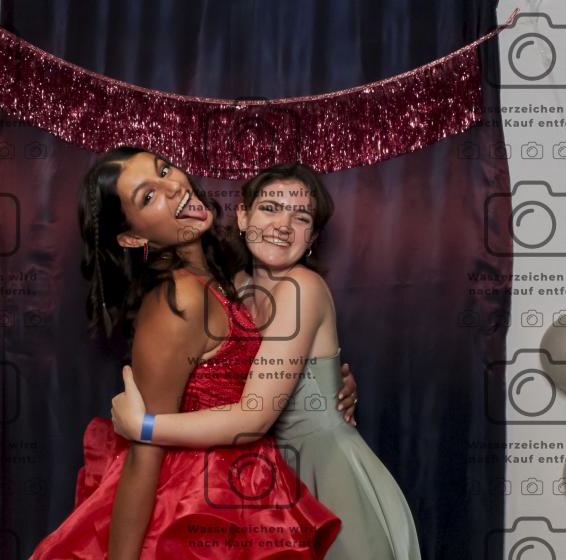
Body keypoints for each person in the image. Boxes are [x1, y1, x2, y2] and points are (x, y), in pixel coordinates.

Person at [29, 148, 343, 559]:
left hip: (244, 488)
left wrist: (328, 384)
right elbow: (143, 453)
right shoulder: (179, 299)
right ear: (133, 238)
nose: (173, 186)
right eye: (148, 196)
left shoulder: (224, 274)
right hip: (189, 508)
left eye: (164, 170)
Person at [111, 163, 422, 559]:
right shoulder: (235, 288)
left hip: (326, 473)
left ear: (312, 238)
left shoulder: (302, 288)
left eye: (301, 217)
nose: (283, 226)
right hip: (269, 475)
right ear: (243, 216)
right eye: (271, 208)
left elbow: (254, 416)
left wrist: (144, 426)